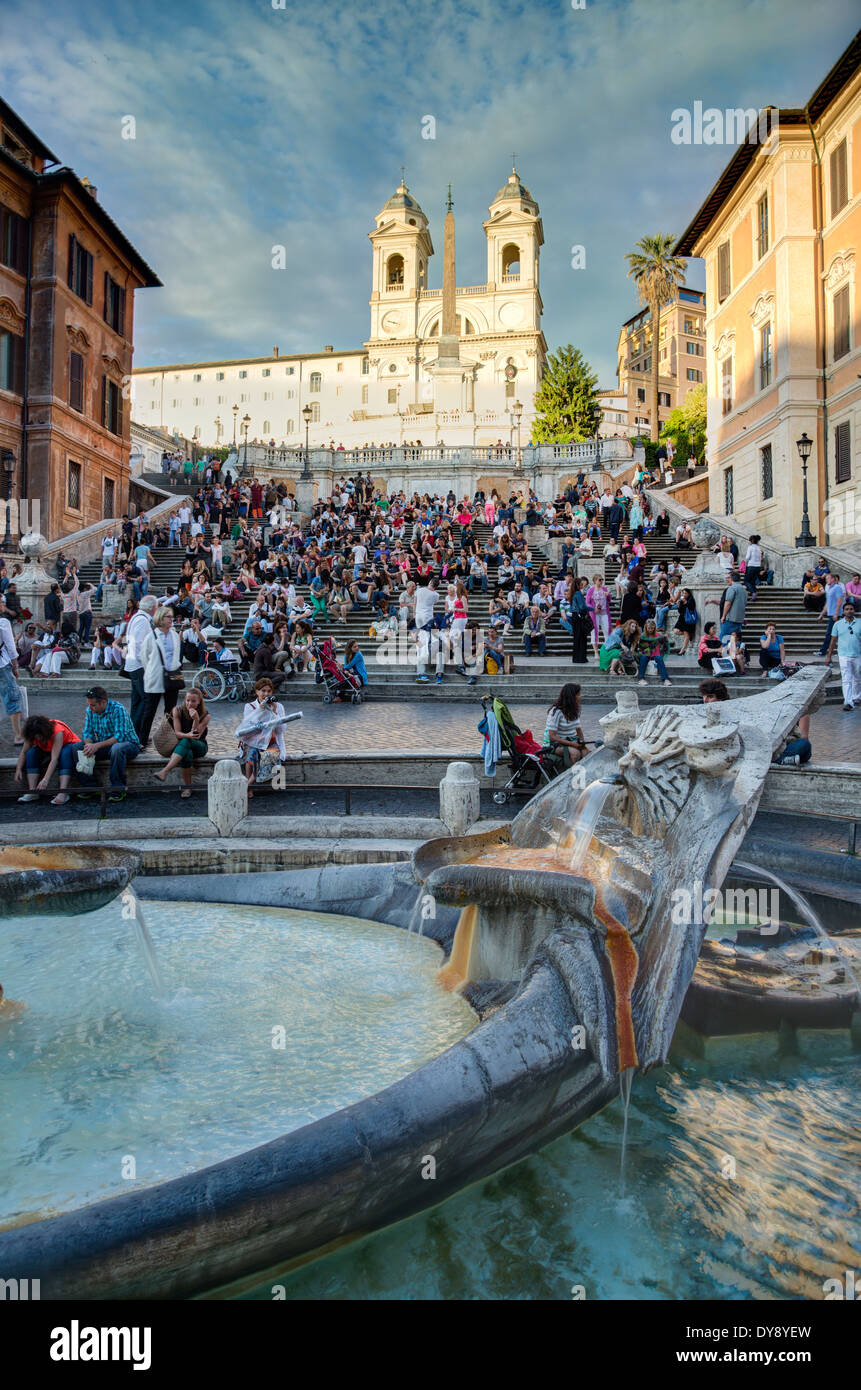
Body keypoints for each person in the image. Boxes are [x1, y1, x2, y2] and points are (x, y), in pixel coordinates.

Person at [76, 685, 142, 802]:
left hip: (128, 744)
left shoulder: (118, 709)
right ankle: (90, 786)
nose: (90, 708)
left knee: (117, 748)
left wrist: (96, 746)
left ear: (103, 702)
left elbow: (119, 737)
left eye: (93, 705)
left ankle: (118, 788)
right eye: (89, 704)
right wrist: (89, 745)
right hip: (105, 745)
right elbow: (87, 733)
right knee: (76, 747)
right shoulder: (89, 710)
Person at [15, 714, 82, 806]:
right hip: (48, 749)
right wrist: (18, 769)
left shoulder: (57, 731)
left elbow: (54, 759)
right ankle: (33, 791)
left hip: (69, 745)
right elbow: (24, 752)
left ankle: (63, 792)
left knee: (65, 754)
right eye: (35, 737)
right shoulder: (31, 733)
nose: (37, 739)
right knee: (31, 753)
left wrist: (45, 779)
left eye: (38, 736)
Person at [154, 689, 211, 797]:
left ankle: (165, 771)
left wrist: (196, 719)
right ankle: (188, 789)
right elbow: (177, 733)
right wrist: (187, 735)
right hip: (183, 746)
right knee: (187, 753)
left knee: (187, 740)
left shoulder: (206, 715)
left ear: (199, 702)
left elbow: (196, 735)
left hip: (200, 745)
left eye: (193, 701)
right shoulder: (177, 710)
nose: (190, 703)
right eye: (187, 700)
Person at [139, 608, 183, 747]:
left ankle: (169, 739)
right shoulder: (151, 636)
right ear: (160, 618)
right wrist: (153, 670)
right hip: (155, 677)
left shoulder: (175, 635)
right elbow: (144, 657)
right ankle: (142, 740)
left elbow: (177, 654)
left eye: (171, 616)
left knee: (171, 710)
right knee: (149, 711)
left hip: (172, 677)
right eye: (168, 616)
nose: (171, 619)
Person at [237, 677, 289, 795]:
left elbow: (281, 730)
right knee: (252, 752)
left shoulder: (278, 706)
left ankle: (247, 786)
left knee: (268, 755)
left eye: (269, 691)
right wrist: (260, 711)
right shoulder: (249, 707)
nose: (266, 694)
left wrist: (274, 712)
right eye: (263, 691)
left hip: (271, 742)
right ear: (257, 692)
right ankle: (249, 788)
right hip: (252, 741)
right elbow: (248, 728)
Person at [124, 594, 158, 742]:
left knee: (138, 700)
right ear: (151, 608)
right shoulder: (142, 621)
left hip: (134, 665)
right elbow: (138, 644)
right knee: (145, 701)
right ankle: (136, 734)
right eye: (156, 607)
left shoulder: (138, 618)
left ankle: (133, 732)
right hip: (139, 666)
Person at [825, 600, 861, 711]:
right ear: (843, 611)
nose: (849, 611)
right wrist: (829, 656)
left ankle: (856, 697)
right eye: (847, 609)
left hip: (858, 655)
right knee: (846, 679)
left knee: (857, 678)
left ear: (854, 611)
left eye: (851, 609)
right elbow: (833, 641)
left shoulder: (860, 623)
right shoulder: (838, 624)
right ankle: (848, 702)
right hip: (844, 655)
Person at [543, 683, 587, 769]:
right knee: (575, 754)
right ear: (571, 697)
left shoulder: (575, 710)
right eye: (578, 695)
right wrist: (572, 744)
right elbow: (552, 737)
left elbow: (579, 730)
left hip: (571, 741)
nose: (580, 697)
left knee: (586, 753)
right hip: (554, 744)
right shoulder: (555, 712)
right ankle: (569, 778)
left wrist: (583, 743)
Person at [0, 598, 24, 745]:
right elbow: (10, 646)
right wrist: (15, 667)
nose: (3, 605)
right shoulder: (3, 623)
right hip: (2, 666)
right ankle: (18, 735)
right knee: (12, 697)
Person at [637, 619, 672, 686]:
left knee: (659, 658)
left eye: (652, 628)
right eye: (649, 628)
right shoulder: (642, 636)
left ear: (654, 627)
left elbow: (665, 645)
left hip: (655, 654)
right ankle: (641, 679)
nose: (650, 630)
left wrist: (665, 638)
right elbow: (640, 648)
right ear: (646, 627)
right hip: (646, 654)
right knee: (643, 657)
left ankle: (666, 679)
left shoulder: (658, 635)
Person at [719, 572, 747, 642]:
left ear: (732, 578)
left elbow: (728, 603)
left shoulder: (732, 588)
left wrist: (723, 616)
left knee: (724, 639)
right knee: (736, 640)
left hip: (730, 619)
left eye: (728, 577)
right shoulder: (743, 590)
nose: (726, 579)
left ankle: (725, 653)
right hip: (739, 619)